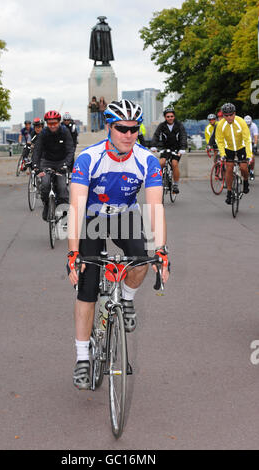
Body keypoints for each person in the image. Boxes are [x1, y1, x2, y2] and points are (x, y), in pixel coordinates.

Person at [66, 99, 170, 390]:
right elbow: (75, 208)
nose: (129, 134)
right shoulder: (89, 158)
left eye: (135, 128)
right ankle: (82, 358)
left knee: (141, 261)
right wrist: (74, 253)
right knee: (87, 285)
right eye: (122, 128)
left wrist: (160, 250)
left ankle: (125, 299)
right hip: (91, 220)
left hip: (125, 217)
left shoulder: (147, 160)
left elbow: (155, 209)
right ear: (109, 127)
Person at [32, 110, 74, 221]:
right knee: (45, 186)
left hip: (61, 162)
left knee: (62, 189)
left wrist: (66, 165)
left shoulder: (65, 132)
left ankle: (64, 215)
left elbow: (70, 150)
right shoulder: (43, 133)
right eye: (50, 124)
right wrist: (36, 166)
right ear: (46, 123)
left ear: (59, 122)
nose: (52, 126)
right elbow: (37, 150)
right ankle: (47, 205)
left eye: (55, 123)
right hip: (47, 162)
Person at [215, 103, 252, 204]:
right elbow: (220, 141)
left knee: (244, 167)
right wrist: (222, 154)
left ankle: (245, 181)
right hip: (229, 148)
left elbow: (247, 139)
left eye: (231, 115)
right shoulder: (220, 125)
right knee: (229, 168)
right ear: (223, 116)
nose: (229, 117)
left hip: (241, 147)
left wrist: (249, 155)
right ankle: (229, 192)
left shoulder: (241, 122)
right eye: (226, 115)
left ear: (234, 113)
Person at [150, 107, 187, 194]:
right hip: (165, 148)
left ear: (174, 116)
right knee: (161, 162)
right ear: (165, 117)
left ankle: (175, 185)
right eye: (168, 116)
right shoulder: (161, 126)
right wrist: (153, 146)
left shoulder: (179, 125)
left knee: (174, 163)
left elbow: (183, 136)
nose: (170, 118)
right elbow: (156, 135)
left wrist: (182, 148)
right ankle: (158, 181)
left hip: (176, 149)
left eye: (171, 116)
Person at [244, 115, 258, 181]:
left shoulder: (254, 126)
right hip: (243, 143)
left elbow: (255, 136)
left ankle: (252, 171)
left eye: (249, 124)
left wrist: (255, 145)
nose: (248, 126)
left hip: (251, 142)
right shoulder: (242, 125)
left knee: (252, 157)